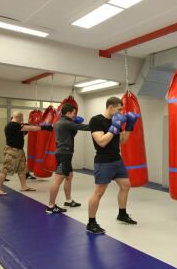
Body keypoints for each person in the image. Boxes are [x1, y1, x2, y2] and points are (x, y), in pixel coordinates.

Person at [86, 97, 138, 234]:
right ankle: (91, 223)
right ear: (111, 107)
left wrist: (129, 126)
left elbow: (123, 140)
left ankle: (122, 214)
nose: (121, 112)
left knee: (125, 186)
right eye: (119, 109)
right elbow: (101, 142)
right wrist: (114, 127)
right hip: (103, 161)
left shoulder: (116, 120)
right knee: (99, 192)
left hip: (117, 159)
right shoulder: (96, 120)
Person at [45, 103, 91, 214]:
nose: (75, 115)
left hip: (65, 153)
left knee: (69, 176)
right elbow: (86, 127)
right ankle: (51, 206)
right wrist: (101, 124)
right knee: (58, 180)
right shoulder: (66, 123)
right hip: (64, 154)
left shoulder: (60, 122)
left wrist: (75, 124)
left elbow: (70, 135)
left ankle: (68, 200)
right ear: (68, 113)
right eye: (74, 113)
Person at [0, 111, 52, 195]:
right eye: (22, 118)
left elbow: (22, 133)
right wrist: (44, 127)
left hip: (19, 151)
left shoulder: (16, 126)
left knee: (22, 169)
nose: (22, 120)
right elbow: (31, 128)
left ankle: (24, 187)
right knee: (5, 170)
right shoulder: (12, 125)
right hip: (12, 151)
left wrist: (27, 128)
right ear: (19, 117)